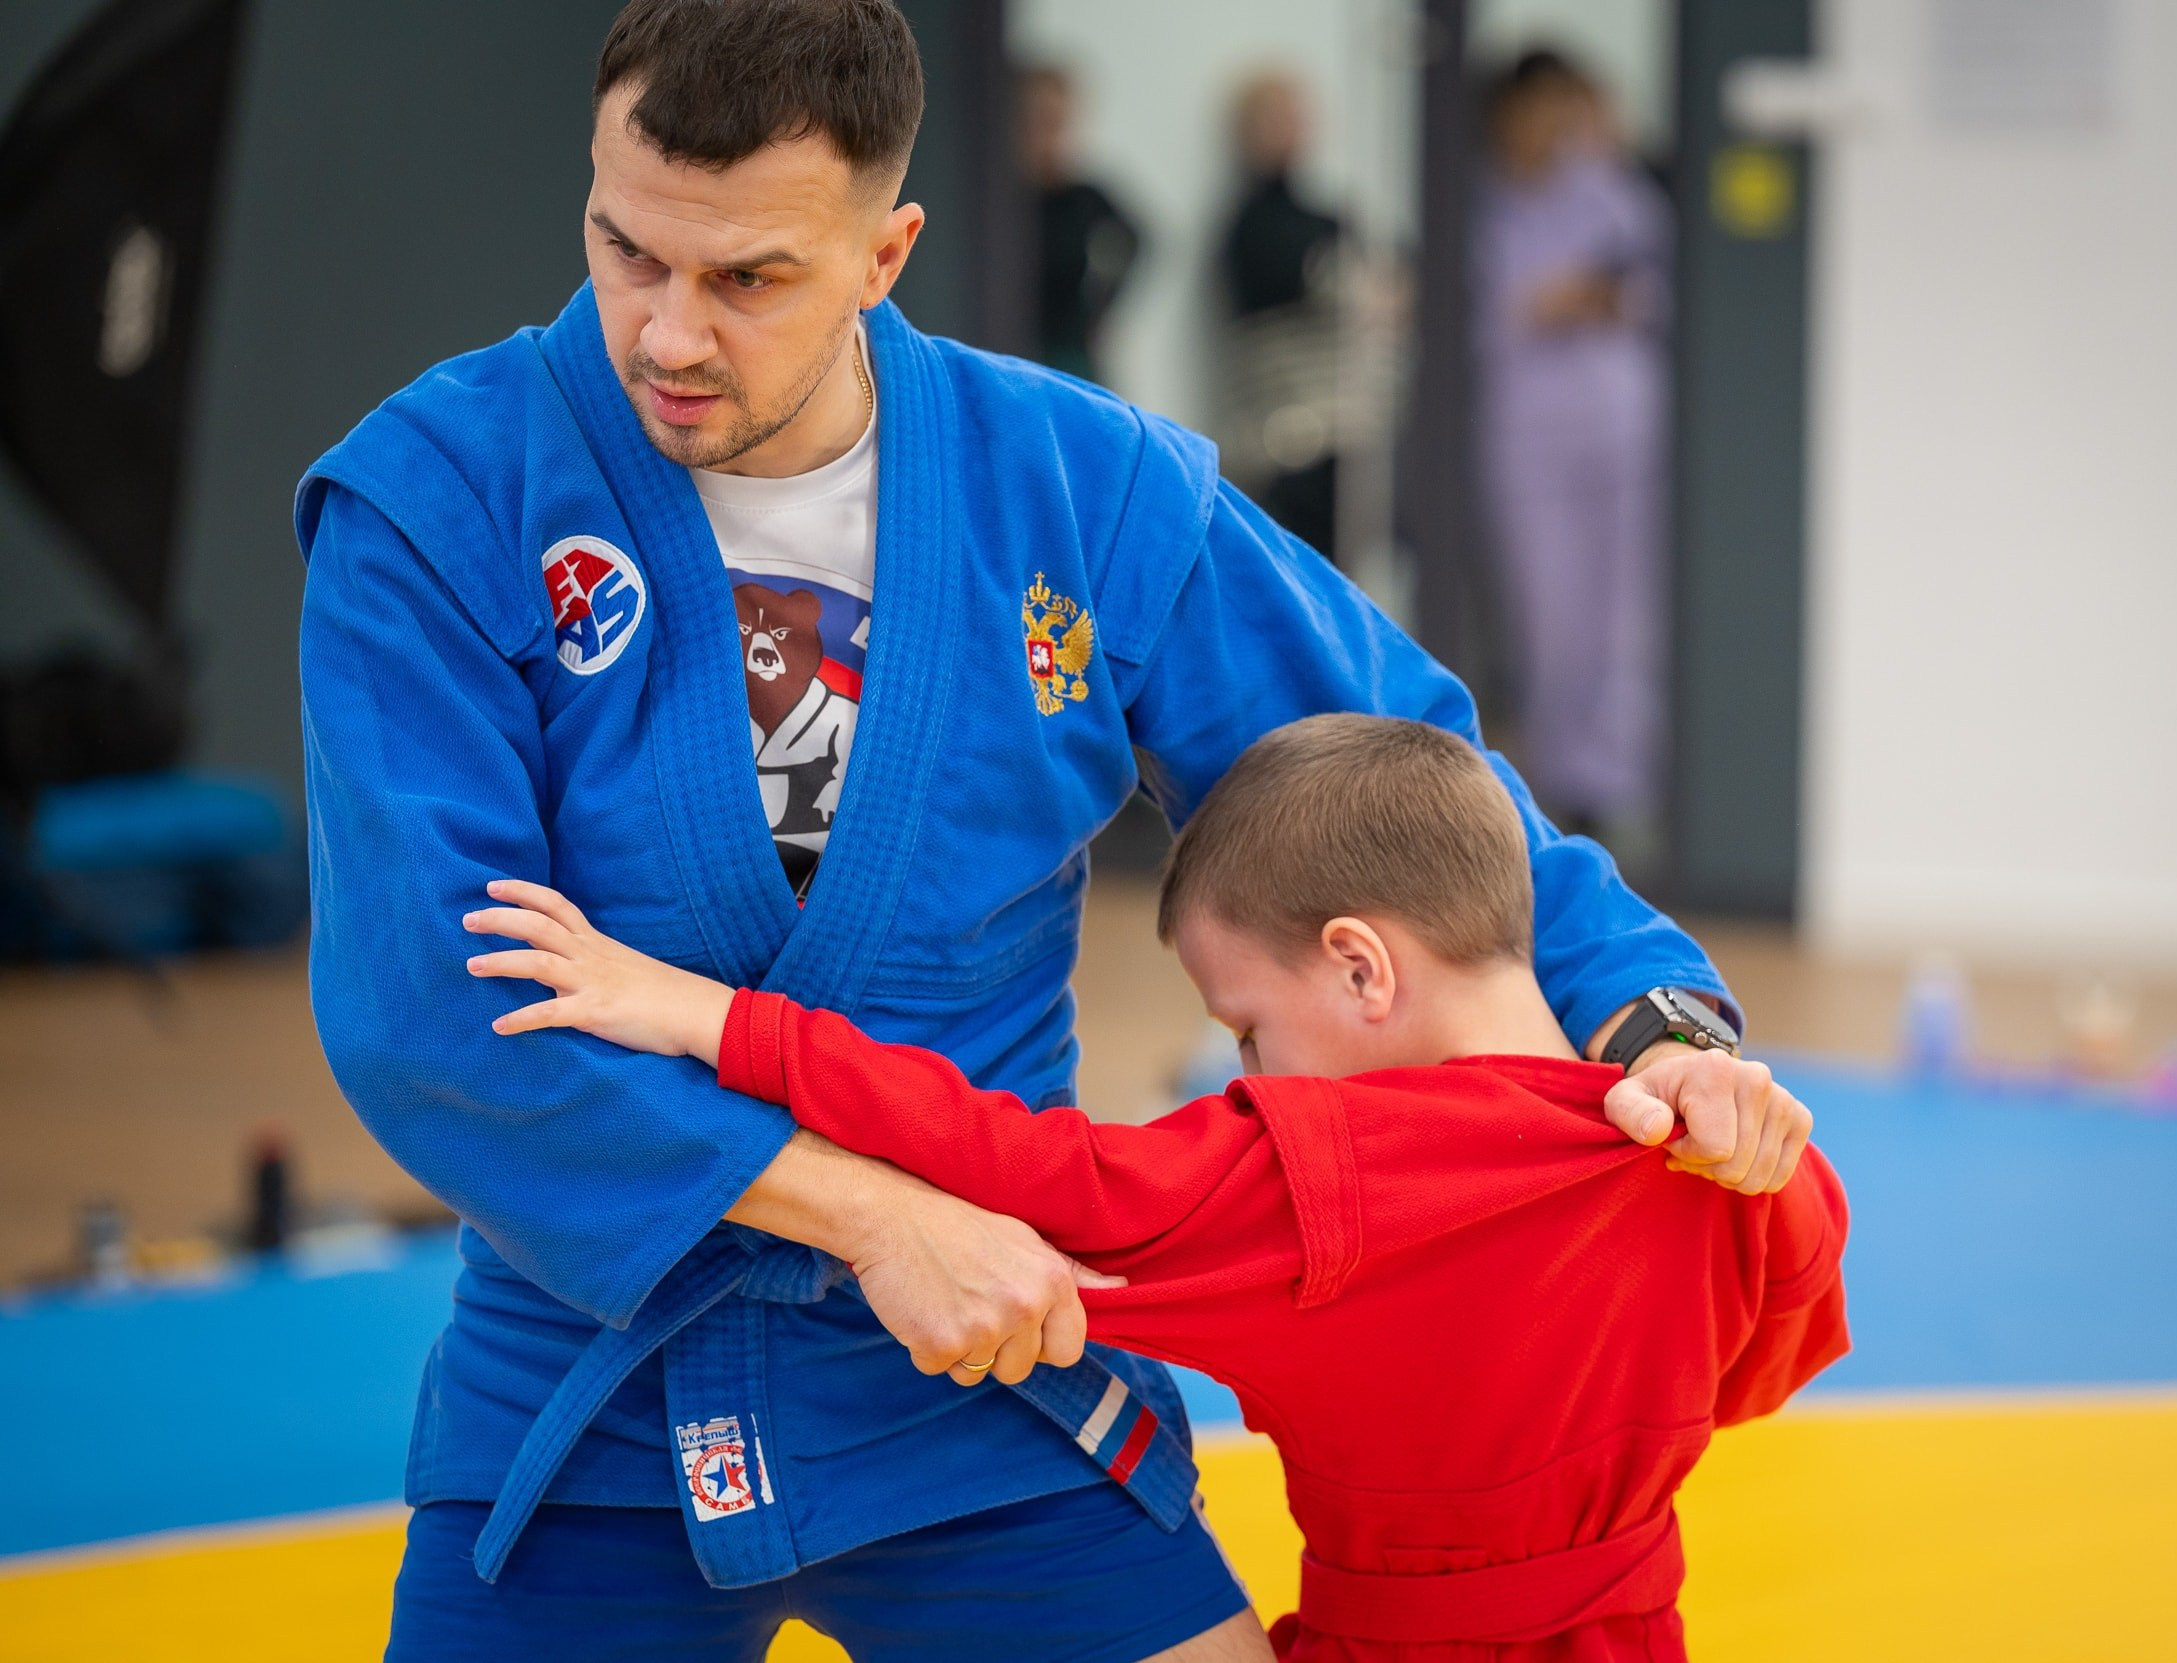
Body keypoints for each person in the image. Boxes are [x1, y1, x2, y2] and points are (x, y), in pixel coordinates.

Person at [294, 3, 1814, 1658]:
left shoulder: (1079, 490)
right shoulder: (438, 499)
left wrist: (1660, 1028)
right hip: (596, 1384)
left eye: (749, 280)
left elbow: (1418, 782)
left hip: (1002, 1371)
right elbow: (436, 1007)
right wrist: (875, 1215)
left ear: (887, 253)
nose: (665, 332)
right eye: (625, 248)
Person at [460, 715, 1848, 1661]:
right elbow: (1763, 1368)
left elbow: (1024, 1165)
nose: (1245, 1063)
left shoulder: (1313, 1177)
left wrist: (712, 1017)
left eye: (1248, 1024)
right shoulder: (1722, 1160)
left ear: (1364, 967)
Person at [1473, 50, 1672, 837]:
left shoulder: (1614, 195)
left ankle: (1611, 790)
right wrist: (1549, 302)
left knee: (1620, 618)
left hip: (1622, 434)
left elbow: (1654, 288)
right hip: (1527, 439)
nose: (1553, 128)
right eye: (1540, 109)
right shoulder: (1482, 207)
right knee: (1546, 618)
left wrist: (1588, 297)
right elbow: (1484, 314)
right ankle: (1551, 793)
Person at [1214, 71, 1347, 562]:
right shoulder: (1250, 227)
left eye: (1294, 116)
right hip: (1286, 443)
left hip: (1347, 435)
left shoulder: (1329, 217)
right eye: (1272, 117)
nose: (1288, 129)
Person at [1022, 64, 1141, 385]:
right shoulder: (998, 203)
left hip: (1069, 352)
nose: (1051, 137)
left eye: (1059, 125)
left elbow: (1138, 240)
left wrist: (1101, 309)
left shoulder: (1084, 198)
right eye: (1041, 124)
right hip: (1006, 346)